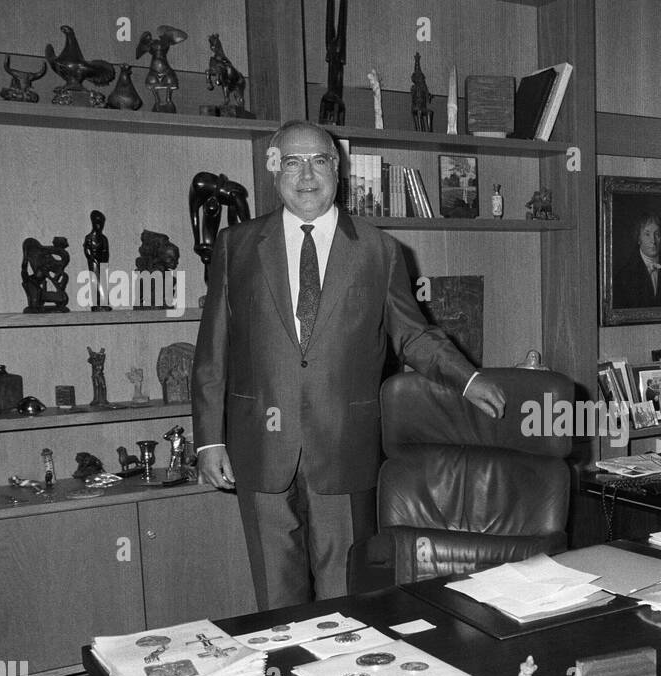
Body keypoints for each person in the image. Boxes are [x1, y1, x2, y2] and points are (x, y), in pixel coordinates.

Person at [193, 119, 505, 611]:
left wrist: (466, 377)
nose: (306, 175)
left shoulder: (380, 251)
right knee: (277, 601)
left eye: (319, 160)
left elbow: (412, 334)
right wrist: (210, 439)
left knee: (346, 599)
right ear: (275, 168)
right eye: (292, 161)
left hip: (345, 446)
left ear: (337, 168)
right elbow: (213, 349)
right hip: (258, 447)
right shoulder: (236, 247)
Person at [613, 213, 661, 307]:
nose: (653, 241)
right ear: (639, 238)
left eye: (657, 234)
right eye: (647, 234)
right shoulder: (623, 278)